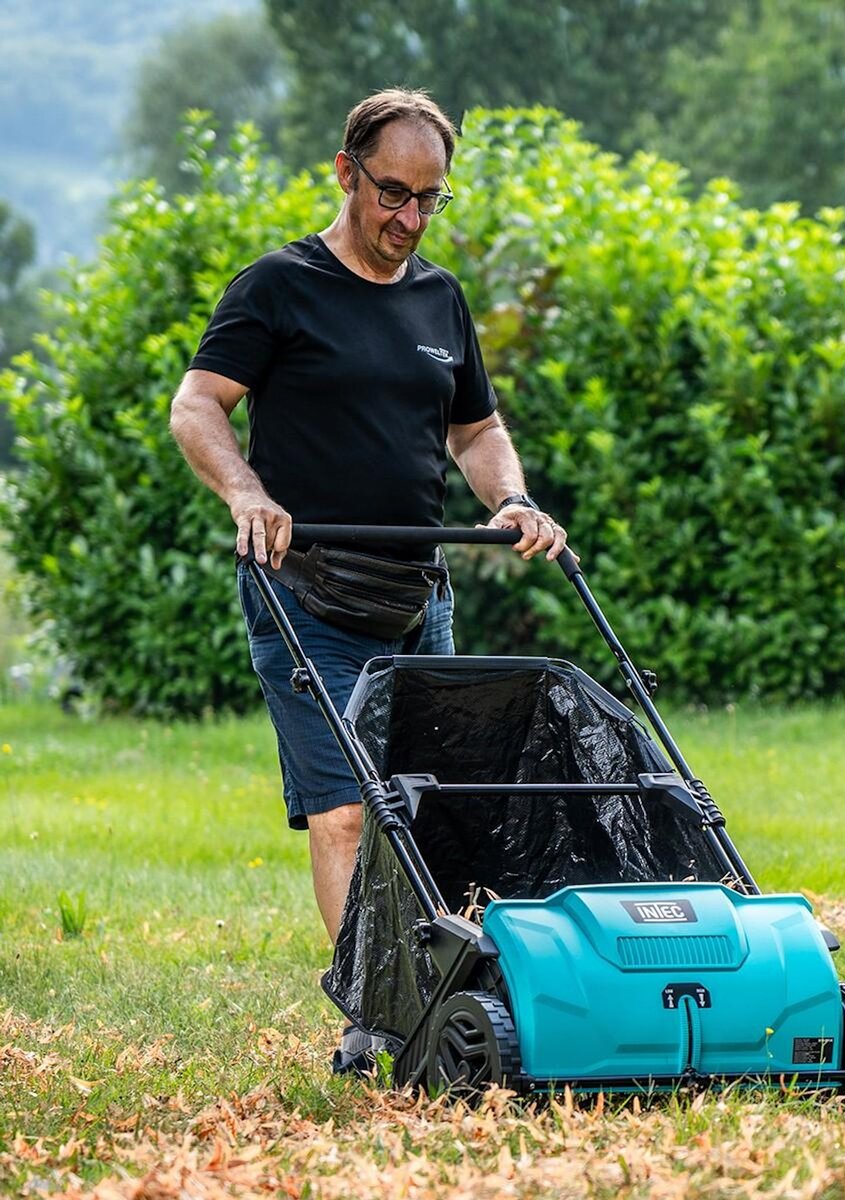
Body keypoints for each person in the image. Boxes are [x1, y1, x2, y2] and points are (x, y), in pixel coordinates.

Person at [169, 88, 568, 1072]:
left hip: (416, 591)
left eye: (431, 199)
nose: (411, 219)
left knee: (425, 805)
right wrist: (247, 492)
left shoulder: (439, 299)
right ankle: (379, 1019)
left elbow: (474, 429)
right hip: (305, 590)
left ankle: (433, 986)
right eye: (394, 193)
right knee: (348, 809)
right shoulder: (278, 287)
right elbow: (197, 405)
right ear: (346, 172)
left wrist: (512, 499)